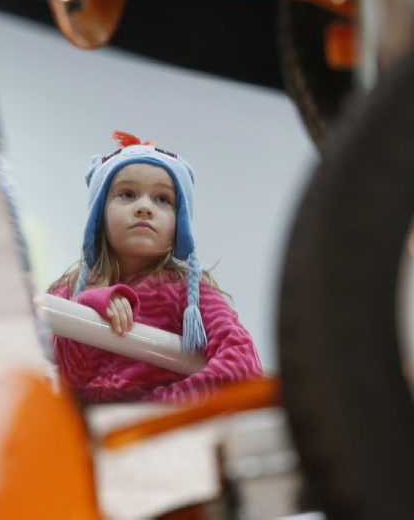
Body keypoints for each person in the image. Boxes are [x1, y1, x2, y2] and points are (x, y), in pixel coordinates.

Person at [49, 130, 262, 404]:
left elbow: (243, 366)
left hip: (154, 438)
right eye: (127, 194)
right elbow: (63, 374)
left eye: (162, 199)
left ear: (179, 223)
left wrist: (159, 409)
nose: (144, 207)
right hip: (78, 435)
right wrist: (87, 304)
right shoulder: (66, 290)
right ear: (99, 215)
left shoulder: (189, 295)